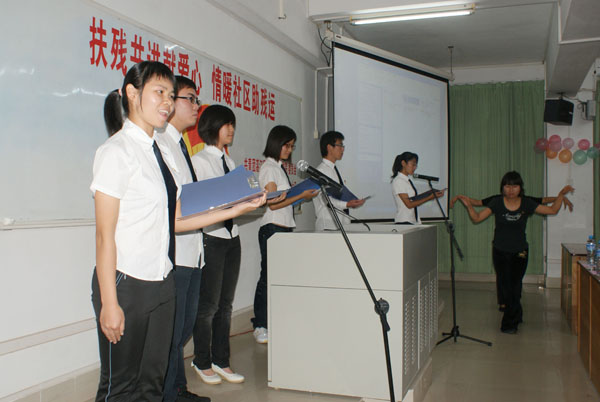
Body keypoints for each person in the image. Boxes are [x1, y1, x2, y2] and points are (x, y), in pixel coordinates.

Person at [91, 61, 265, 402]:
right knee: (121, 387)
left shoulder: (156, 153)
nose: (167, 102)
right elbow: (103, 236)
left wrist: (235, 210)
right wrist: (109, 302)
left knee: (152, 384)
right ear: (132, 93)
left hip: (163, 281)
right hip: (126, 282)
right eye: (159, 92)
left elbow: (173, 220)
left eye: (171, 95)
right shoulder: (115, 151)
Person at [453, 171, 573, 334]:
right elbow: (477, 218)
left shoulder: (527, 203)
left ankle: (510, 322)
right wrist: (469, 206)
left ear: (520, 188)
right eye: (507, 186)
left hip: (520, 251)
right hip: (500, 251)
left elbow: (552, 210)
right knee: (506, 286)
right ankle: (514, 317)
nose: (510, 190)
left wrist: (560, 195)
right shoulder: (496, 202)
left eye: (514, 186)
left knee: (515, 285)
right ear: (502, 187)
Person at [157, 76, 210, 402]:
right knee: (172, 332)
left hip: (193, 251)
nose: (196, 106)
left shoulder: (181, 145)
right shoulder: (161, 145)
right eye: (190, 98)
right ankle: (168, 394)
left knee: (183, 328)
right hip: (176, 254)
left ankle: (177, 389)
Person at [189, 105, 249, 385]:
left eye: (232, 124)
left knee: (226, 304)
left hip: (232, 236)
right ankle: (202, 360)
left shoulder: (230, 162)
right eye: (227, 124)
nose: (231, 129)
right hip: (212, 238)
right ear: (212, 126)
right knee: (209, 305)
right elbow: (198, 204)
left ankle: (221, 360)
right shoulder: (199, 162)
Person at [251, 125, 319, 343]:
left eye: (292, 146)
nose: (290, 150)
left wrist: (298, 196)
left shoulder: (278, 168)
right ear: (276, 143)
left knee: (279, 277)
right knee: (268, 278)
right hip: (273, 227)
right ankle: (260, 325)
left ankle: (274, 321)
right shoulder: (270, 168)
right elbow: (272, 204)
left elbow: (282, 201)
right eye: (287, 145)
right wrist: (300, 196)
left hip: (283, 227)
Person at [313, 131, 366, 231]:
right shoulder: (321, 171)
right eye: (340, 145)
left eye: (343, 146)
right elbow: (326, 200)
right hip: (328, 226)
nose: (343, 149)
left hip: (340, 225)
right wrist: (347, 204)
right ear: (329, 147)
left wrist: (352, 202)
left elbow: (339, 195)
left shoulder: (335, 169)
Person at [391, 152, 445, 224]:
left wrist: (431, 194)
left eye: (416, 165)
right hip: (404, 221)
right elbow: (409, 204)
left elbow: (414, 200)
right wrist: (429, 197)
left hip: (412, 221)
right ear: (403, 163)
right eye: (413, 164)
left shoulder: (406, 180)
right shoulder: (399, 181)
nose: (415, 167)